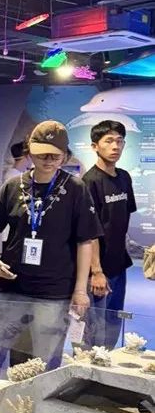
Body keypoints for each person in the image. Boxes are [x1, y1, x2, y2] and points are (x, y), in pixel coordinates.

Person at [0, 121, 103, 377]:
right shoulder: (13, 186)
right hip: (10, 285)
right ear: (30, 151)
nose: (48, 160)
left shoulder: (76, 189)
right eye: (42, 154)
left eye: (55, 155)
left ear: (64, 155)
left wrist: (80, 290)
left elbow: (85, 241)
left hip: (54, 290)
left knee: (44, 364)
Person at [83, 120, 136, 348]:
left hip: (118, 265)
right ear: (95, 146)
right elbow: (89, 231)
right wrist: (96, 271)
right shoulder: (89, 182)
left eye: (120, 141)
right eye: (109, 141)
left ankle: (107, 363)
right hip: (98, 269)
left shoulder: (124, 177)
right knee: (93, 329)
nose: (115, 146)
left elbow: (123, 218)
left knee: (113, 323)